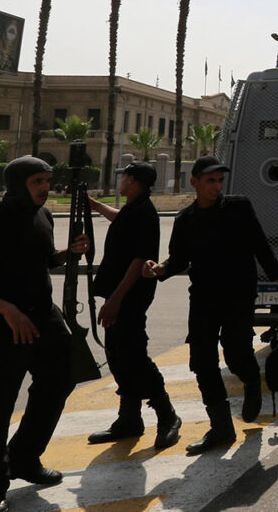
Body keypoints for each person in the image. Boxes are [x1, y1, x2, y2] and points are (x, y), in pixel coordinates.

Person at [0, 156, 89, 512]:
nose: (45, 188)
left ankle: (25, 457)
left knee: (59, 381)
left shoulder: (43, 215)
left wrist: (65, 254)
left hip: (43, 320)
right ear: (17, 183)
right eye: (38, 181)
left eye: (47, 180)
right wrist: (7, 310)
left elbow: (38, 260)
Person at [143, 155, 278, 455]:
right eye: (210, 180)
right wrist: (159, 269)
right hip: (202, 296)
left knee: (236, 350)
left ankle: (251, 381)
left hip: (238, 293)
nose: (216, 186)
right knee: (202, 361)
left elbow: (259, 243)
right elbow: (178, 259)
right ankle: (221, 427)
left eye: (219, 181)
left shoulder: (238, 207)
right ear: (195, 182)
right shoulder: (185, 219)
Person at [85, 162, 182, 450]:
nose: (121, 182)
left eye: (125, 178)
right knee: (117, 355)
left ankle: (167, 415)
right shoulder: (134, 209)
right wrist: (94, 205)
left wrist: (115, 299)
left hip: (128, 297)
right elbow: (121, 219)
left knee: (134, 356)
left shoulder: (145, 213)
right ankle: (129, 418)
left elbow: (139, 260)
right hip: (119, 294)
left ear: (133, 180)